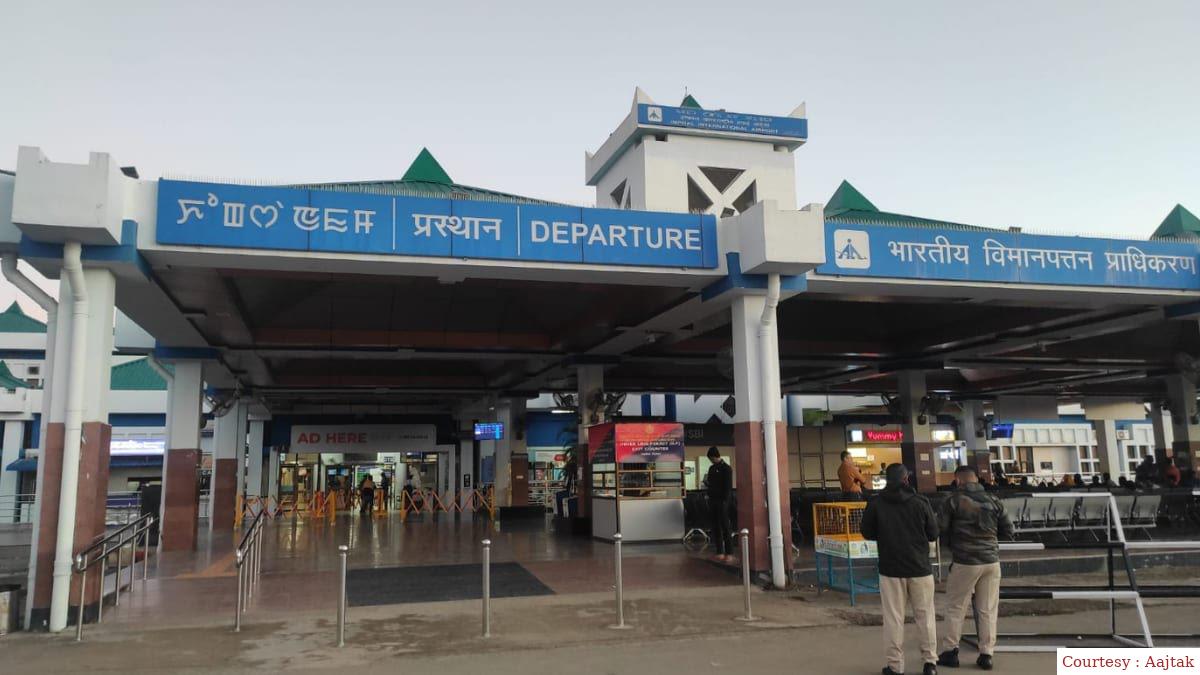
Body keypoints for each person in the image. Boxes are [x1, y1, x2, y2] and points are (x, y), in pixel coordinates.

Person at [861, 464, 940, 675]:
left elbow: (866, 532)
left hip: (890, 568)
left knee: (894, 618)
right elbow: (933, 533)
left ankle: (895, 666)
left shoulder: (876, 503)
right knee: (925, 616)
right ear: (906, 480)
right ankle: (930, 663)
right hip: (920, 569)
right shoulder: (921, 502)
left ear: (887, 479)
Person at [937, 466, 1015, 671]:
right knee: (987, 609)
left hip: (965, 561)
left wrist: (955, 543)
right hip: (991, 561)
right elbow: (1009, 530)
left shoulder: (953, 500)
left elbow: (940, 529)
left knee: (956, 606)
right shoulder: (994, 500)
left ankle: (950, 651)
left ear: (958, 480)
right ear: (976, 479)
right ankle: (986, 654)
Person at [704, 447, 734, 562]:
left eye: (711, 458)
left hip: (723, 501)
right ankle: (719, 551)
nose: (711, 461)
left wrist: (725, 501)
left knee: (725, 527)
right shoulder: (711, 468)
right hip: (713, 500)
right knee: (716, 526)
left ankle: (729, 552)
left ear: (714, 456)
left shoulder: (726, 469)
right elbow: (711, 484)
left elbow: (728, 487)